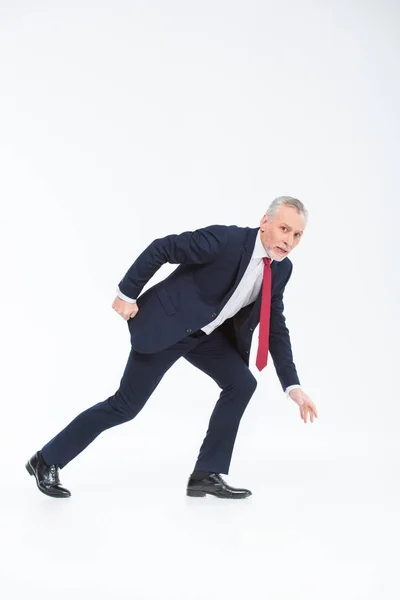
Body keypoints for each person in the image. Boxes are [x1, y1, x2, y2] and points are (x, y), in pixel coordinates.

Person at [26, 196, 318, 500]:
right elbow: (163, 247)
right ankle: (46, 460)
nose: (289, 241)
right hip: (167, 326)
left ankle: (206, 475)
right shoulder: (225, 240)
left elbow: (275, 326)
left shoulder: (282, 270)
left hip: (205, 335)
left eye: (297, 235)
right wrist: (127, 292)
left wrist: (292, 385)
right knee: (125, 406)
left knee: (242, 383)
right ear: (265, 222)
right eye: (284, 229)